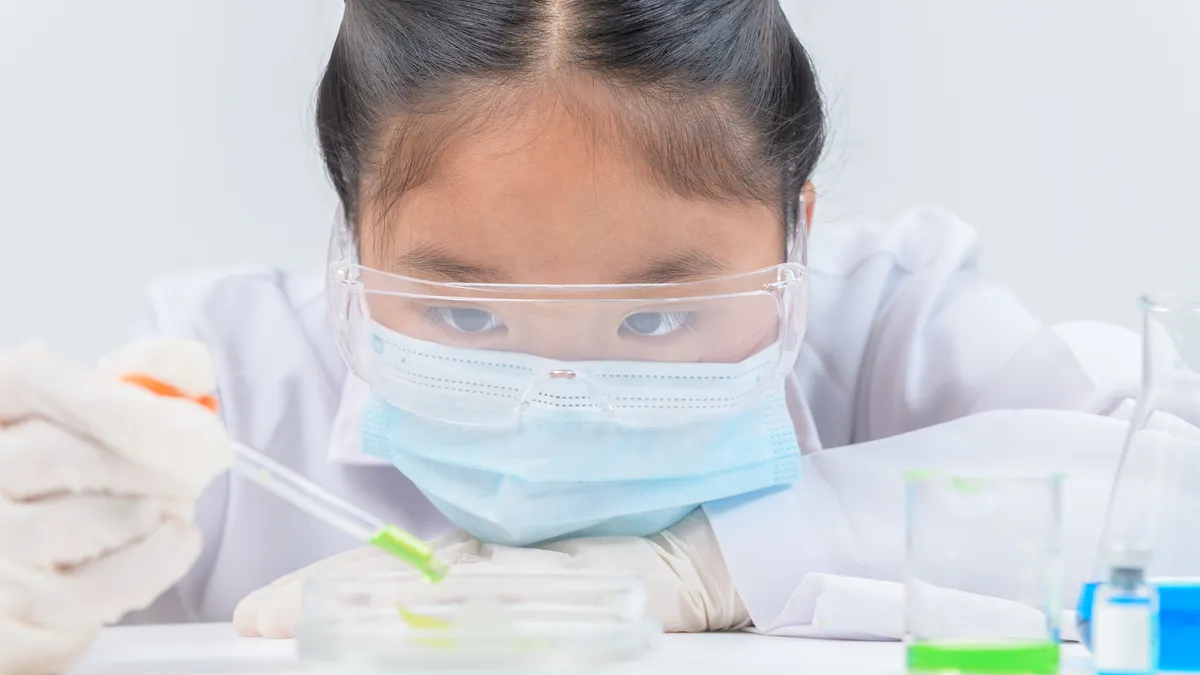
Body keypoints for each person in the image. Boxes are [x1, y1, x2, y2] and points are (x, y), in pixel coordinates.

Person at [3, 0, 1194, 671]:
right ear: (349, 235)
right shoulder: (224, 382)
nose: (557, 395)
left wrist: (711, 566)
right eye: (465, 312)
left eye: (659, 311)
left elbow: (1174, 503)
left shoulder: (895, 323)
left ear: (799, 233)